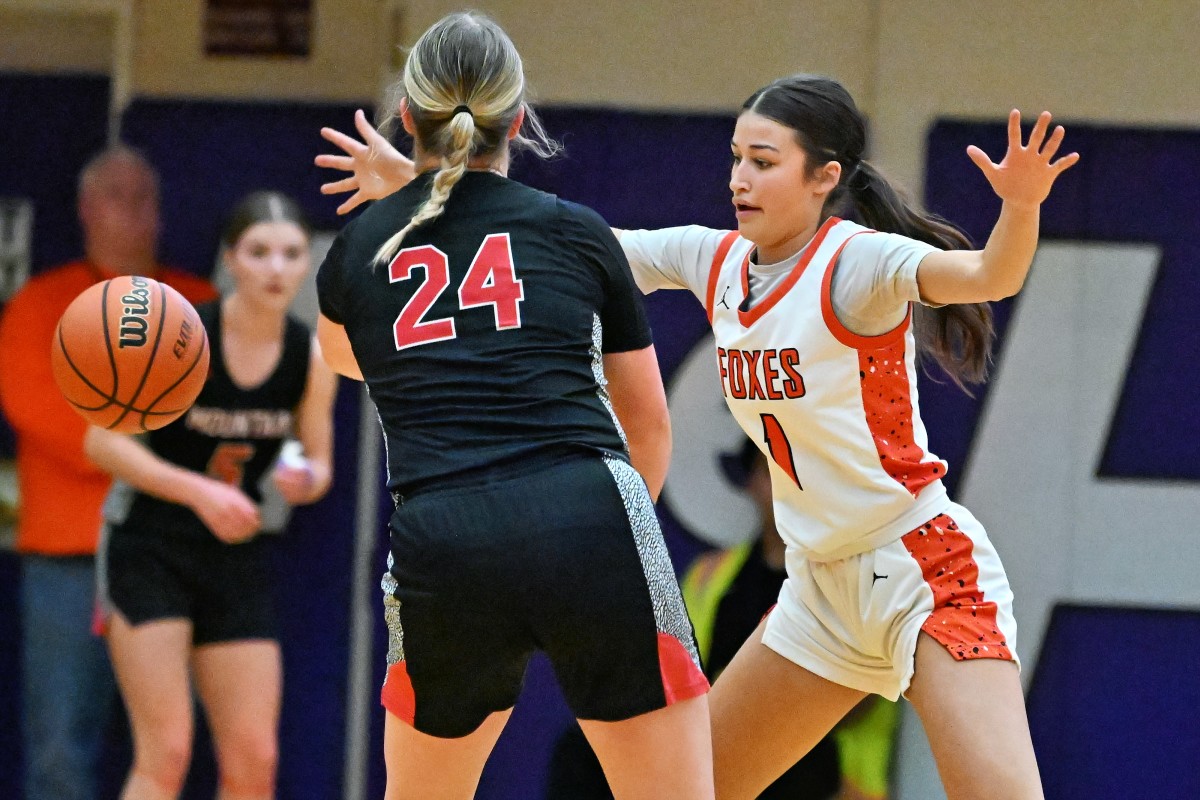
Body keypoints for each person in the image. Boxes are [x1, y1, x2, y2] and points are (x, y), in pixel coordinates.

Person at [316, 73, 1078, 799]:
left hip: (921, 570)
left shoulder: (858, 263)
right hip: (819, 589)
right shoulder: (713, 259)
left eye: (765, 162)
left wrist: (1021, 207)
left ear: (824, 177)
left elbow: (986, 275)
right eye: (736, 159)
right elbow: (550, 244)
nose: (740, 179)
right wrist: (427, 195)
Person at [314, 12, 713, 800]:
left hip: (445, 534)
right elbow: (649, 425)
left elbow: (346, 357)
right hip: (588, 513)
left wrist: (409, 203)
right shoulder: (577, 232)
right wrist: (604, 555)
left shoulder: (360, 251)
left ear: (406, 117)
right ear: (519, 119)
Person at [84, 190, 336, 800]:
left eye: (291, 253)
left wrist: (304, 482)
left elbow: (320, 465)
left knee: (255, 758)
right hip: (149, 546)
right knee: (166, 750)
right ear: (232, 260)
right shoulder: (178, 336)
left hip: (233, 552)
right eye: (260, 252)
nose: (276, 268)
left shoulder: (311, 355)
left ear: (307, 263)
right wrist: (197, 490)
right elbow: (103, 443)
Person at [0, 145, 216, 800]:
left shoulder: (198, 302)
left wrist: (122, 433)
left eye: (146, 196)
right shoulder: (41, 304)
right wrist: (147, 437)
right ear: (87, 209)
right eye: (119, 196)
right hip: (68, 559)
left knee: (175, 744)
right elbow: (40, 411)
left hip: (172, 558)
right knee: (61, 745)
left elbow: (223, 416)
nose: (137, 211)